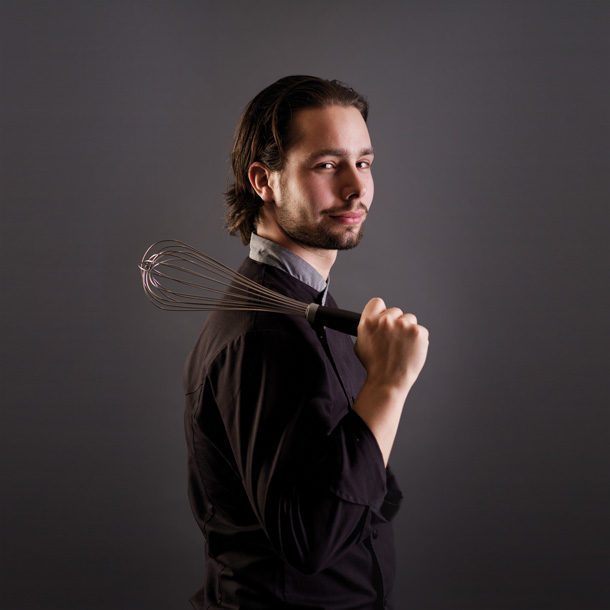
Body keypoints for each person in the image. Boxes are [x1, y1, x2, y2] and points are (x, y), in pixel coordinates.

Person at [183, 75, 429, 610]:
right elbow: (312, 539)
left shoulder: (306, 306)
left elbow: (357, 488)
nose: (356, 187)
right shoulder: (262, 336)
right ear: (264, 181)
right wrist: (389, 385)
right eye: (327, 165)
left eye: (363, 162)